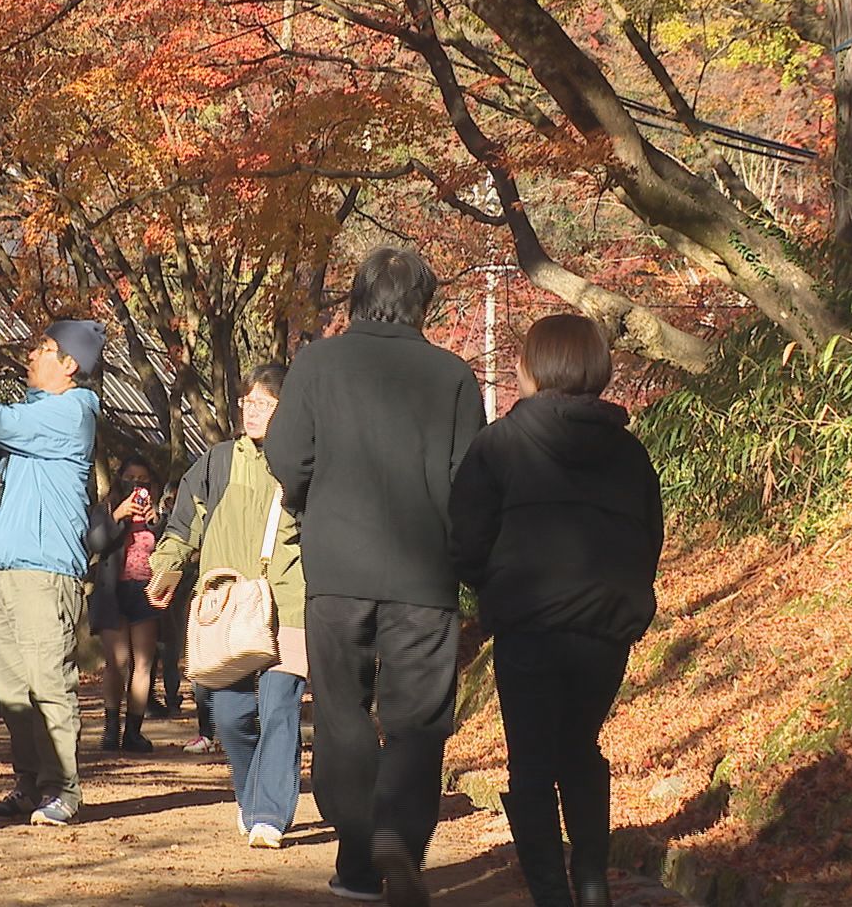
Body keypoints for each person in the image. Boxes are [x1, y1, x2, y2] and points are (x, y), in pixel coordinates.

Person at [264, 247, 486, 907]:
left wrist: (313, 498)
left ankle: (358, 851)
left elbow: (285, 455)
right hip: (425, 574)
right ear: (423, 302)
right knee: (418, 719)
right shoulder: (451, 375)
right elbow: (469, 482)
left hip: (336, 567)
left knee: (341, 711)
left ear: (356, 296)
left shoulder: (317, 364)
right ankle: (397, 833)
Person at [450, 315, 663, 907]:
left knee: (533, 761)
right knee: (579, 746)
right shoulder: (628, 452)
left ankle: (552, 893)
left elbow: (465, 540)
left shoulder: (499, 444)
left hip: (528, 621)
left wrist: (490, 584)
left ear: (533, 368)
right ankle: (592, 884)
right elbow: (649, 536)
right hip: (605, 627)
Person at [0, 318, 104, 827]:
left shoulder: (72, 412)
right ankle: (30, 784)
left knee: (48, 684)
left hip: (44, 572)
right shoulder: (33, 414)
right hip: (5, 570)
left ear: (70, 364)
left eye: (43, 348)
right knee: (12, 690)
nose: (31, 355)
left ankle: (63, 789)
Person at [149, 364, 306, 849]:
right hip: (226, 603)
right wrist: (166, 568)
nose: (253, 411)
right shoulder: (216, 462)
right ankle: (250, 795)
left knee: (280, 707)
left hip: (291, 600)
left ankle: (269, 816)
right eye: (249, 402)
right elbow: (182, 526)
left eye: (265, 404)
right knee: (232, 716)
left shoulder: (304, 464)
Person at [85, 454, 164, 753]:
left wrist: (156, 522)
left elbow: (169, 546)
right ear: (120, 480)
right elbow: (94, 543)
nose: (137, 487)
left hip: (146, 591)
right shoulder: (105, 510)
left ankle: (134, 731)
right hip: (112, 591)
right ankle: (110, 729)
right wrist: (117, 516)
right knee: (118, 663)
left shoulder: (157, 515)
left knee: (143, 664)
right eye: (131, 480)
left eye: (144, 482)